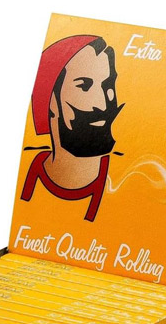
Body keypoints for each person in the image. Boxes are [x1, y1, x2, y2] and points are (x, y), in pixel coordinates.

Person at [21, 34, 124, 222]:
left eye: (108, 86)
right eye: (84, 87)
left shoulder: (124, 178)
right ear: (52, 100)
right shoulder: (27, 175)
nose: (102, 104)